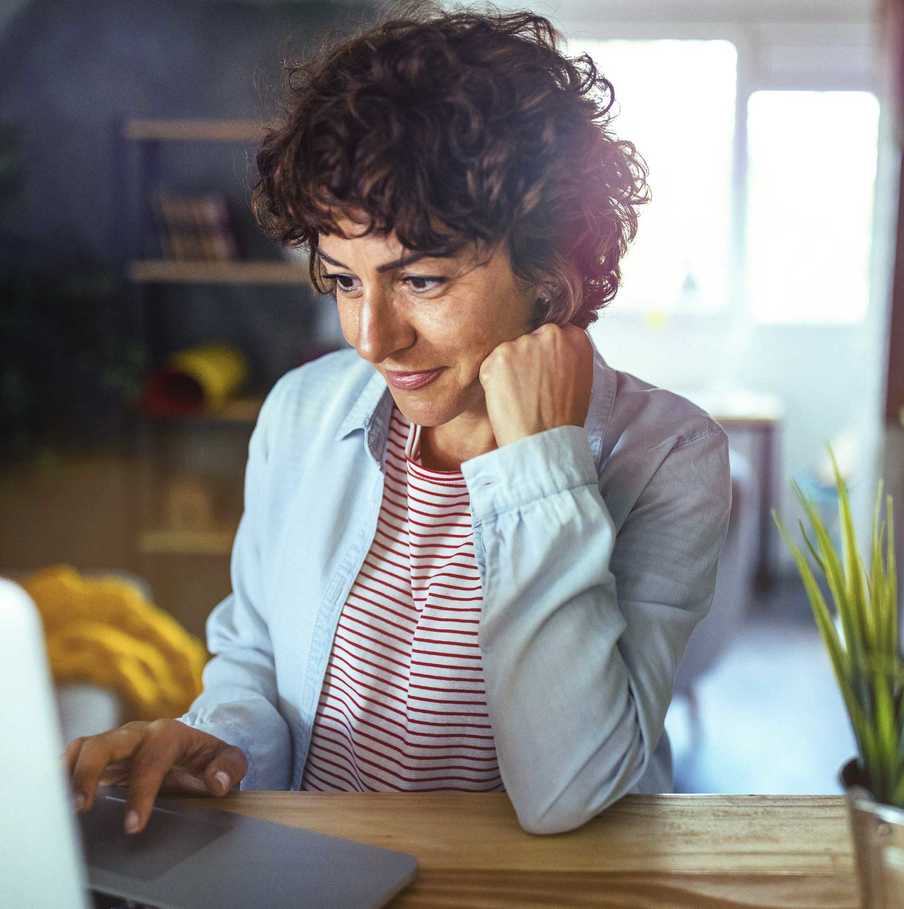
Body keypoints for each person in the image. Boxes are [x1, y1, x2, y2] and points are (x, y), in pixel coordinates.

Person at [64, 3, 732, 836]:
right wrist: (220, 744)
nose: (371, 338)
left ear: (551, 267)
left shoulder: (669, 455)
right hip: (315, 877)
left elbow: (572, 789)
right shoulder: (302, 415)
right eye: (346, 279)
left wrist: (542, 464)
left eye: (420, 280)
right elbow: (255, 660)